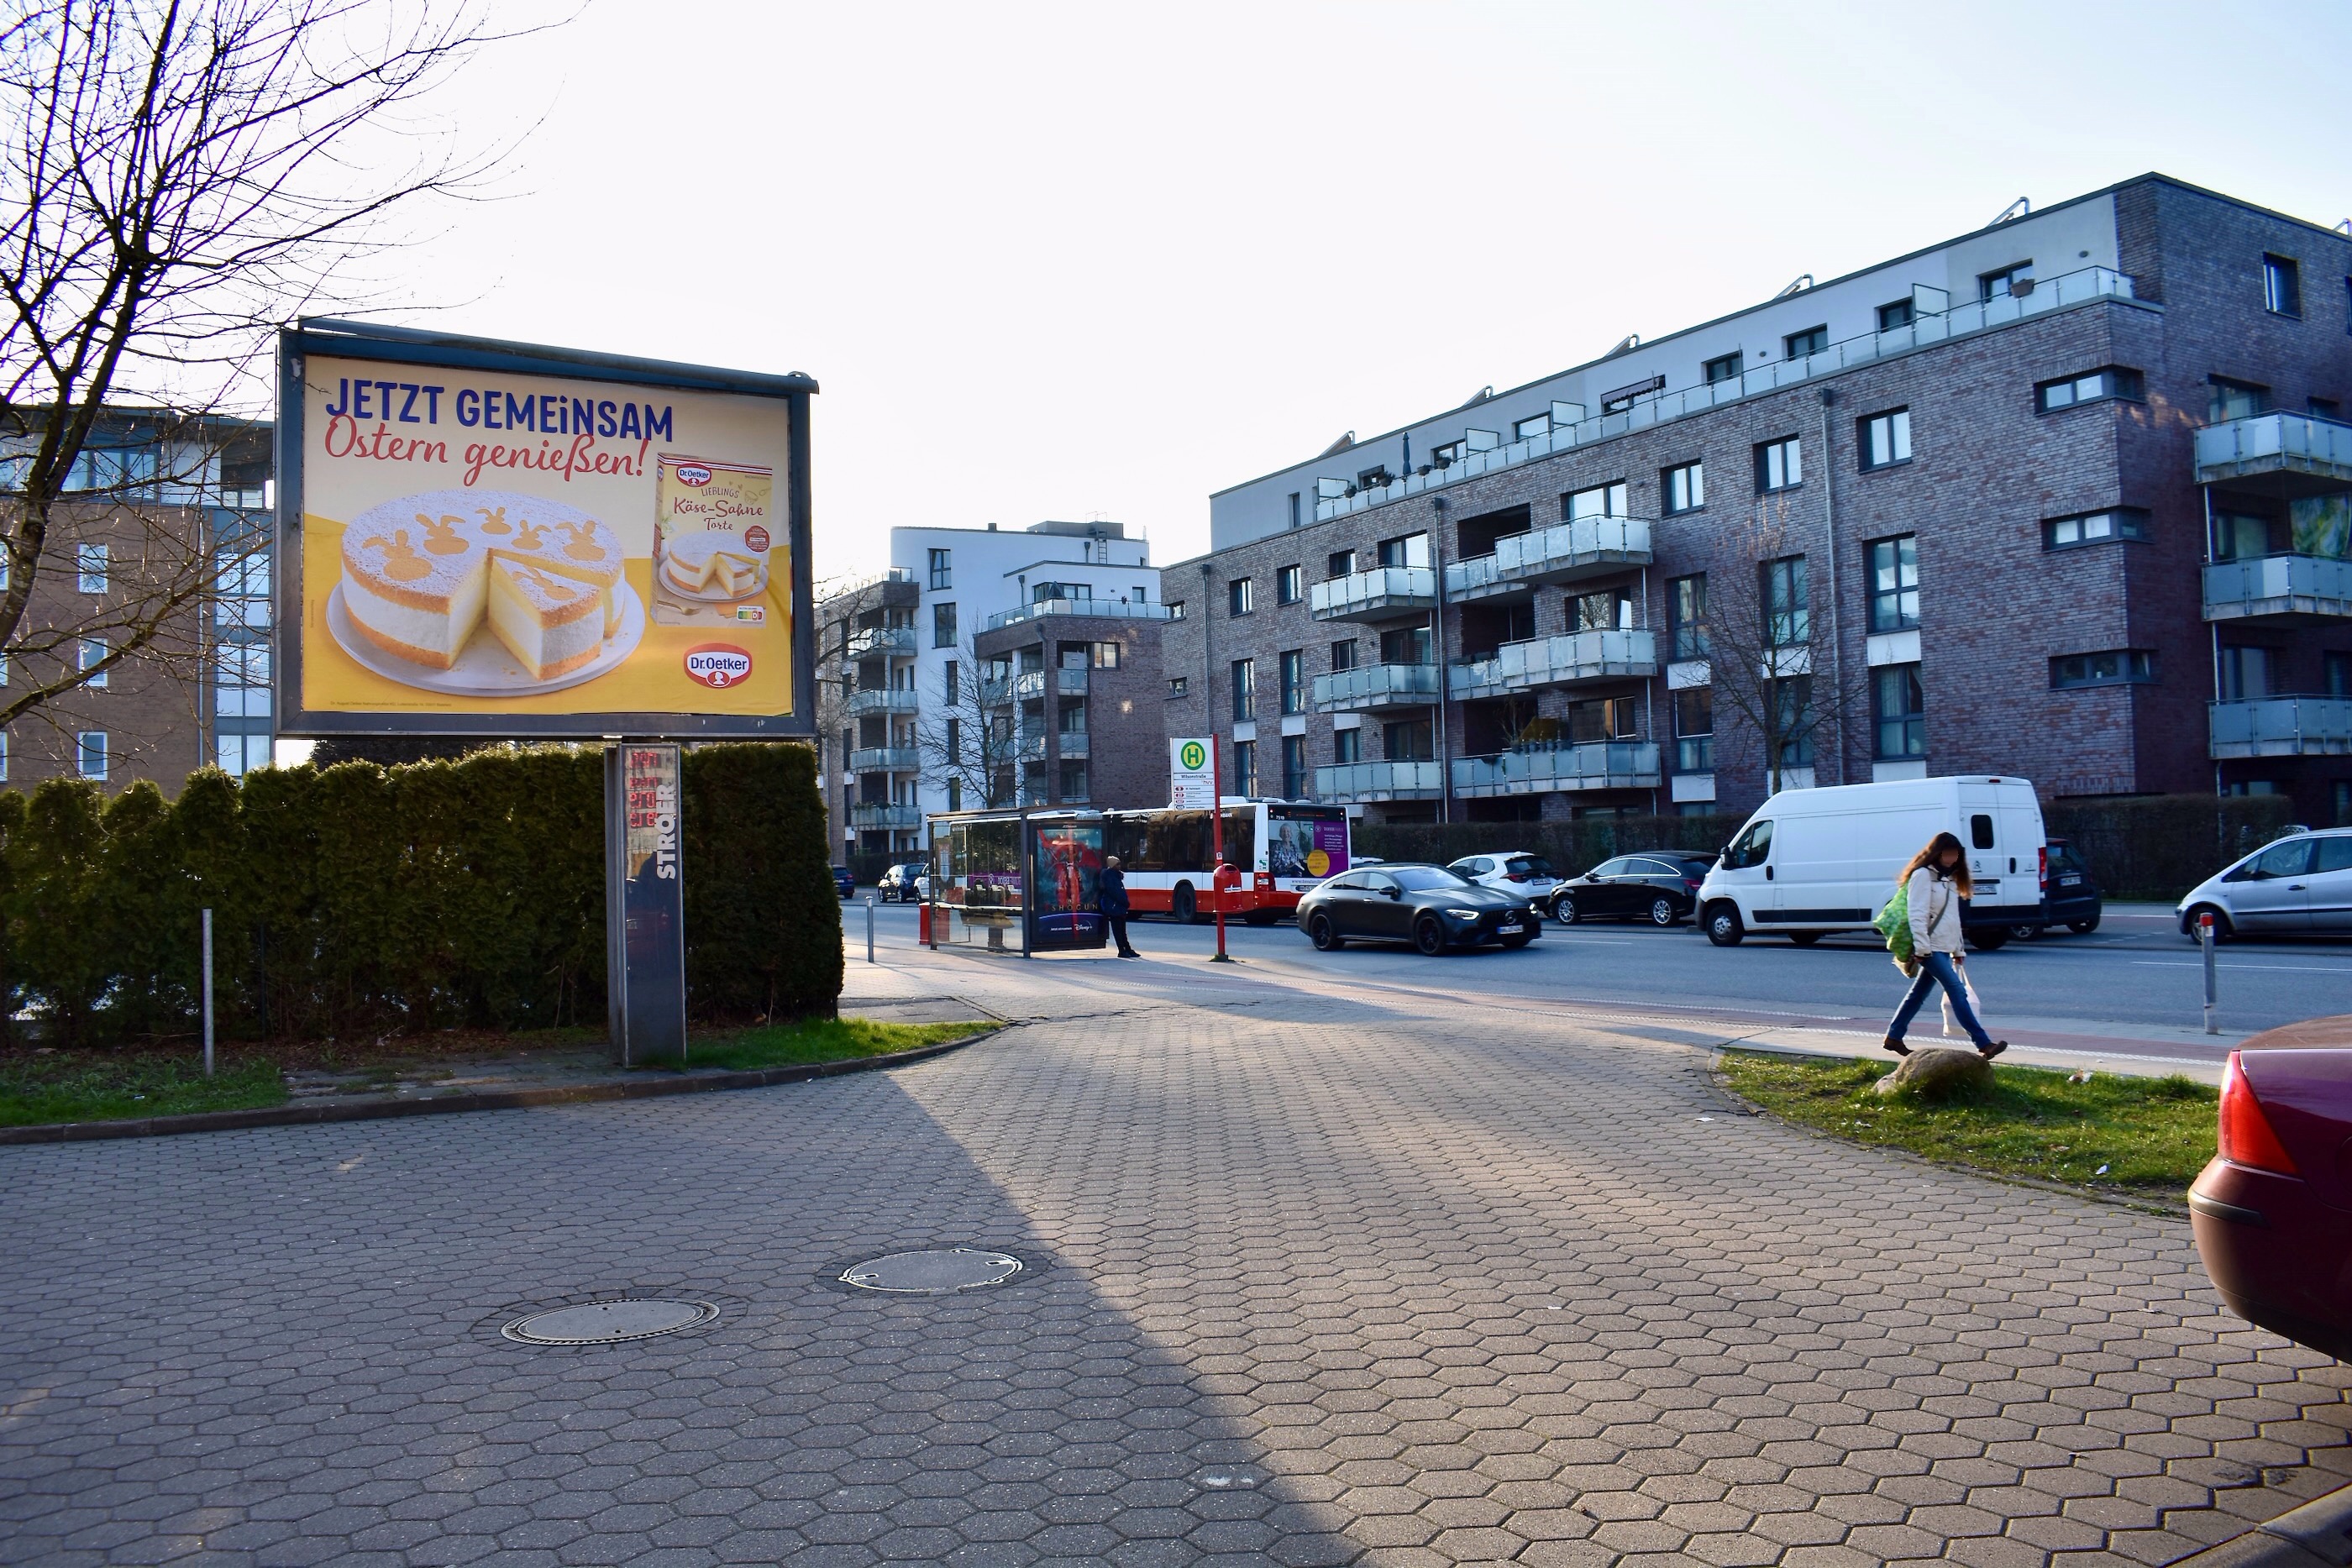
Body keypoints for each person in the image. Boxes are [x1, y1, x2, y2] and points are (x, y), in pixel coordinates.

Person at [1884, 831, 2007, 1060]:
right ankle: (1983, 1044)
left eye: (1956, 855)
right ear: (1937, 853)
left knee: (1918, 994)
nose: (1952, 859)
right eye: (1948, 854)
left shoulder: (1949, 879)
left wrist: (1958, 949)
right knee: (1956, 990)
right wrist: (1922, 948)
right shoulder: (1922, 875)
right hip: (1929, 947)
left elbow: (1952, 918)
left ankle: (1894, 1036)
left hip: (1943, 945)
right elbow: (1917, 914)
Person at [1101, 854, 1138, 957]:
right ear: (1112, 865)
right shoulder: (1110, 876)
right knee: (1118, 931)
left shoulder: (1116, 875)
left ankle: (1128, 949)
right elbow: (1114, 892)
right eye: (1117, 864)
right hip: (1114, 907)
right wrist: (1124, 902)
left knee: (1123, 931)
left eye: (1119, 864)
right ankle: (1122, 950)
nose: (1119, 866)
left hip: (1119, 907)